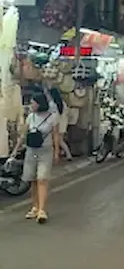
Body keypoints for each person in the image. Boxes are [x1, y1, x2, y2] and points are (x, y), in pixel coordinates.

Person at [9, 91, 60, 223]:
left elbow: (56, 135)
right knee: (32, 180)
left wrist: (56, 152)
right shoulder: (30, 117)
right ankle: (35, 207)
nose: (31, 105)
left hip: (46, 151)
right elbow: (23, 135)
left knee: (42, 179)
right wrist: (15, 150)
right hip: (31, 151)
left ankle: (42, 210)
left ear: (40, 103)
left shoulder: (52, 117)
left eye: (33, 103)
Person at [47, 86, 73, 161]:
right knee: (60, 140)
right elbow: (67, 113)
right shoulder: (62, 103)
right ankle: (67, 154)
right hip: (63, 124)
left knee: (56, 140)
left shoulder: (52, 104)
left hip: (56, 124)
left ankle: (64, 154)